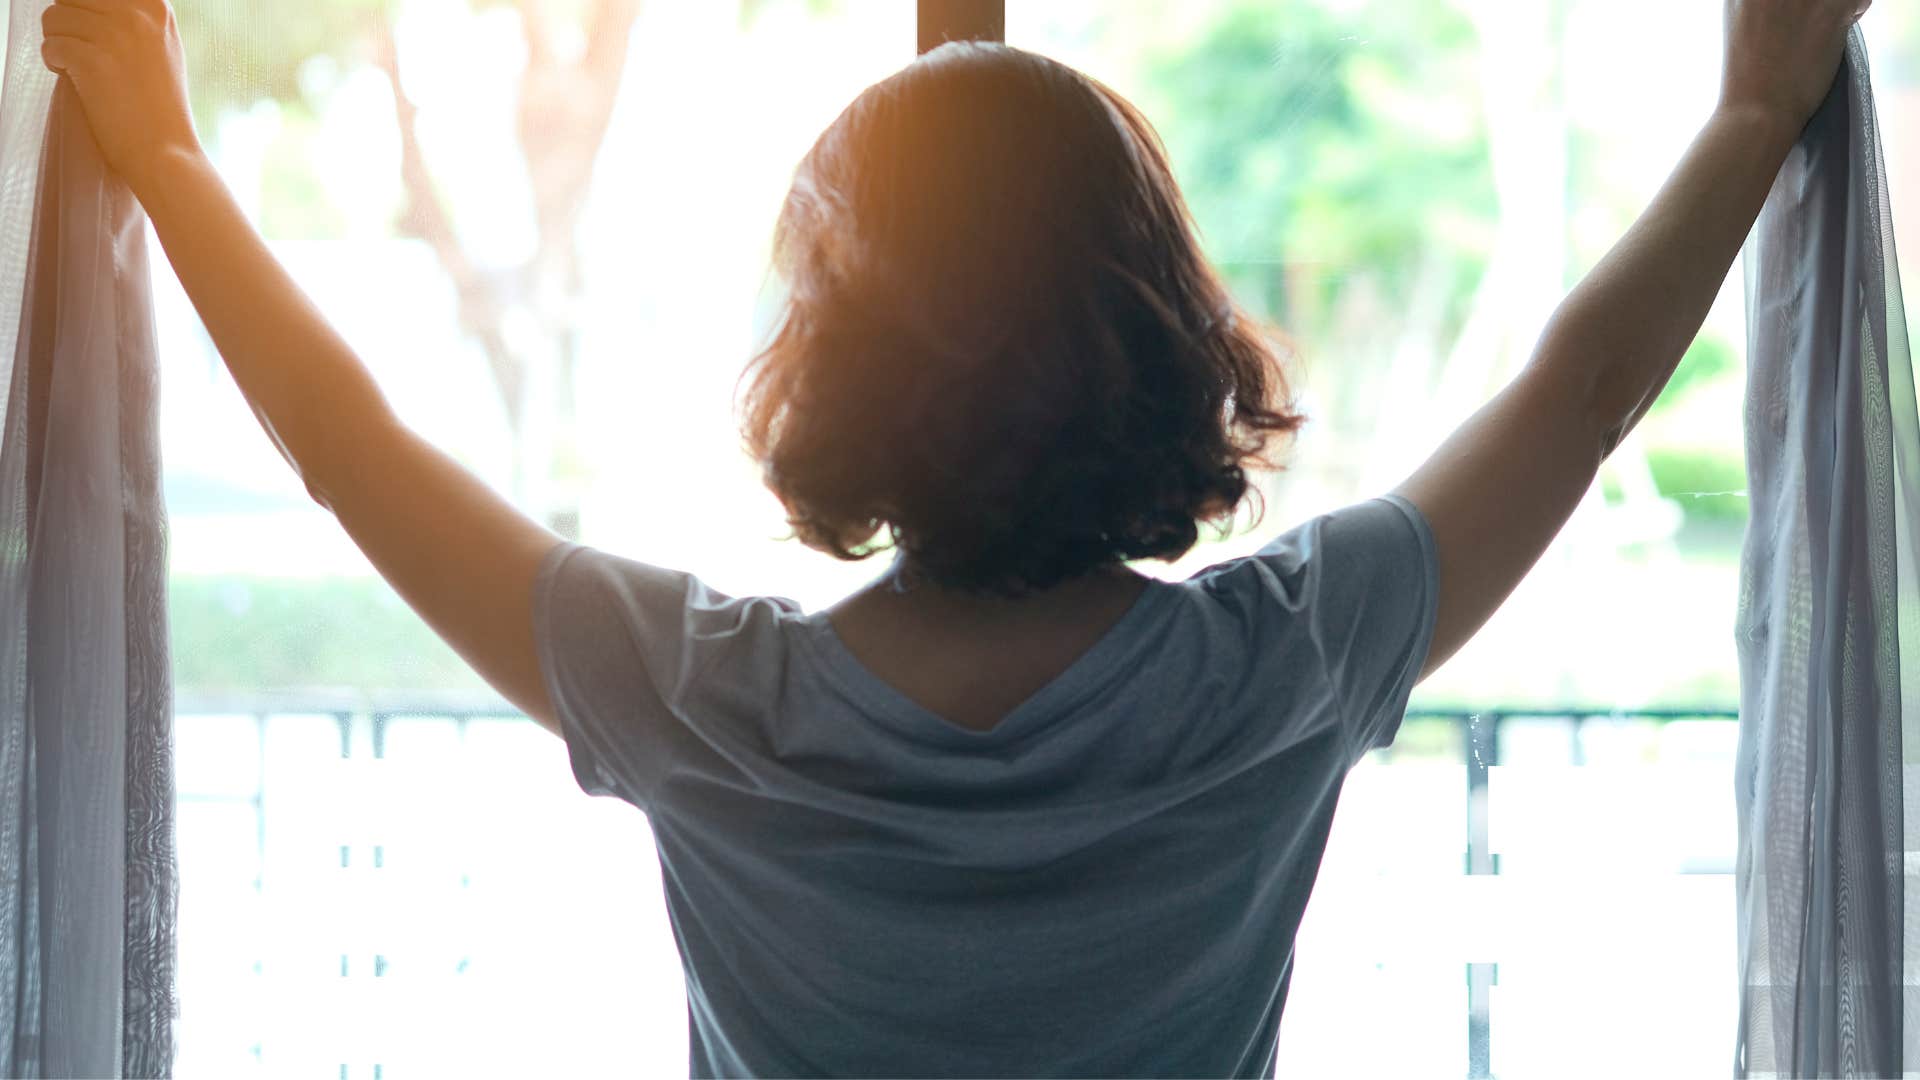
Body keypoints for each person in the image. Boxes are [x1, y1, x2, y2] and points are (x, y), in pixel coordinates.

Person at [39, 0, 1869, 1075]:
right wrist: (1750, 115)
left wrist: (179, 165)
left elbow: (350, 450)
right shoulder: (1281, 667)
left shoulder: (701, 700)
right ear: (1163, 338)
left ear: (827, 373)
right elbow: (1581, 395)